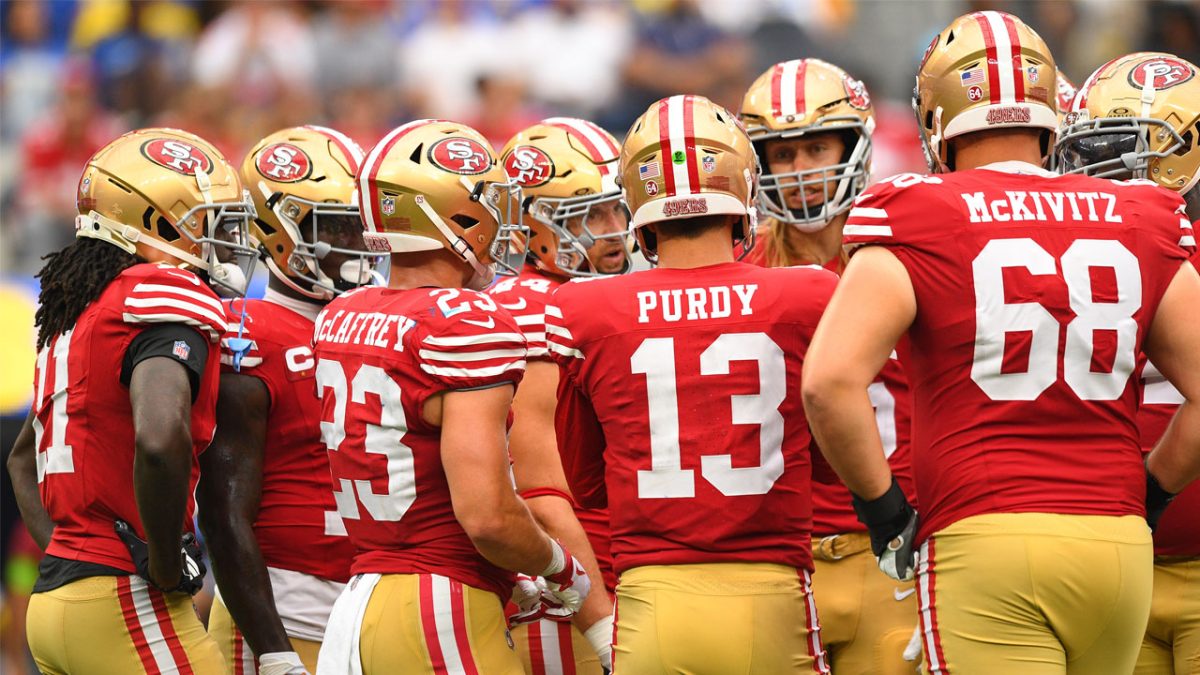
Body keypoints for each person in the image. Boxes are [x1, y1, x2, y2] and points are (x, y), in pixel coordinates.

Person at [802, 11, 1200, 675]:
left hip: (986, 535)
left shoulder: (915, 210)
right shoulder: (1138, 213)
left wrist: (886, 513)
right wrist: (1151, 490)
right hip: (1120, 549)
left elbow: (829, 381)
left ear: (937, 119)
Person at [547, 94, 836, 674]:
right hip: (774, 596)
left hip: (652, 603)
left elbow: (585, 481)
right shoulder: (807, 292)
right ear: (742, 191)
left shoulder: (584, 307)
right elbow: (833, 459)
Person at [312, 120, 589, 675]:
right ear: (455, 216)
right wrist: (561, 568)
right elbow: (487, 515)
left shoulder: (342, 313)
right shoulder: (464, 321)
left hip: (360, 606)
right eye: (487, 203)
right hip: (441, 604)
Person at [7, 127, 258, 674]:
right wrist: (166, 561)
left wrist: (69, 557)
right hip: (124, 601)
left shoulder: (78, 310)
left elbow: (22, 460)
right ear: (154, 223)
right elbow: (159, 437)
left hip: (54, 604)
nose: (222, 239)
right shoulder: (157, 295)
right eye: (204, 221)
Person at [740, 59, 919, 675]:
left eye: (816, 147)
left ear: (855, 144)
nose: (800, 173)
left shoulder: (907, 248)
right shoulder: (739, 265)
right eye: (782, 154)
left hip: (896, 543)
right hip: (774, 551)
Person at [197, 125, 376, 675]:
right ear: (279, 232)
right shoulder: (248, 336)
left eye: (365, 225)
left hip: (366, 607)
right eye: (342, 226)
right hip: (285, 607)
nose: (362, 243)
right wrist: (273, 651)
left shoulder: (377, 324)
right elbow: (224, 512)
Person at [1057, 51, 1200, 675]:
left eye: (1115, 145)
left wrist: (1148, 490)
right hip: (1111, 562)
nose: (1092, 167)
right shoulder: (1066, 249)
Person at [489, 117, 628, 674]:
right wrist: (601, 623)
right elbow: (541, 491)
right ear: (531, 225)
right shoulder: (537, 306)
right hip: (566, 590)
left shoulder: (596, 297)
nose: (615, 229)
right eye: (590, 214)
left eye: (619, 208)